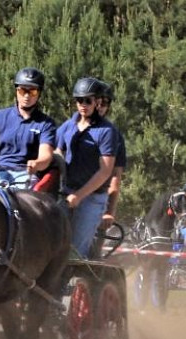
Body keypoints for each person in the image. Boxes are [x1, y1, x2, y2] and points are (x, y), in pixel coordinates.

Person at [54, 77, 122, 258]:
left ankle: (72, 285)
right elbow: (57, 152)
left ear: (97, 101)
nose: (83, 104)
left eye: (88, 100)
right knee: (52, 243)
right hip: (66, 193)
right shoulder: (68, 126)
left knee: (74, 251)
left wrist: (79, 196)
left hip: (92, 199)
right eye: (79, 100)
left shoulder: (107, 131)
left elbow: (106, 170)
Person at [0, 67, 57, 189]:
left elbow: (46, 157)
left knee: (19, 203)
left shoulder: (46, 123)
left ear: (39, 94)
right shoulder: (0, 116)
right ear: (16, 91)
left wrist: (36, 164)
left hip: (25, 173)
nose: (27, 96)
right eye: (22, 91)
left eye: (32, 92)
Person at [94, 79, 126, 229]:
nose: (100, 107)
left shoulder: (115, 136)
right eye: (97, 102)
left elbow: (115, 177)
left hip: (98, 198)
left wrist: (110, 211)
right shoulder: (70, 129)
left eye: (105, 103)